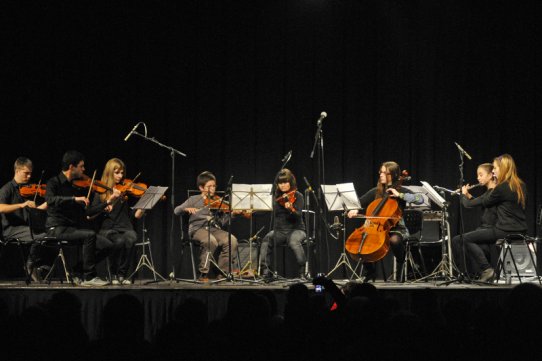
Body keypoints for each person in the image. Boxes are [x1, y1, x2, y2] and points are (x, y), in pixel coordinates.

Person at [45, 150, 121, 286]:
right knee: (89, 235)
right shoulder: (53, 182)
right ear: (71, 167)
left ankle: (77, 271)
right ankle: (89, 277)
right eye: (81, 166)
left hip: (70, 228)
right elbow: (50, 200)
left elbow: (88, 211)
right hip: (56, 228)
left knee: (108, 245)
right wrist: (73, 199)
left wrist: (108, 202)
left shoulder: (74, 186)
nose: (84, 169)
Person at [347, 161, 424, 282]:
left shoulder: (401, 190)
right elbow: (358, 202)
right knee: (361, 240)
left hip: (397, 228)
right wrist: (355, 209)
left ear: (392, 175)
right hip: (375, 228)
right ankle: (370, 272)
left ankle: (400, 265)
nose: (381, 175)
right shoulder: (376, 191)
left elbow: (420, 199)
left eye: (385, 173)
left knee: (394, 240)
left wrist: (400, 195)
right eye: (381, 172)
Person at [458, 154, 527, 282]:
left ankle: (487, 269)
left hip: (505, 230)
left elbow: (481, 202)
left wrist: (464, 195)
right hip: (521, 230)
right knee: (481, 242)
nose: (493, 170)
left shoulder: (501, 187)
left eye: (495, 168)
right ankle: (486, 272)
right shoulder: (520, 185)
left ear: (503, 168)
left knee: (465, 239)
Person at [174, 171, 238, 281]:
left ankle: (222, 272)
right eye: (209, 186)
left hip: (214, 228)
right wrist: (185, 209)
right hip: (197, 229)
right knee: (210, 241)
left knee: (231, 240)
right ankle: (203, 273)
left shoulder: (217, 201)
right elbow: (176, 210)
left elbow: (222, 222)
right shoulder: (194, 199)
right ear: (201, 188)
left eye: (214, 186)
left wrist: (232, 214)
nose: (212, 189)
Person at [89, 158, 144, 285]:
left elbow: (133, 215)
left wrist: (143, 208)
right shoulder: (101, 192)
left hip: (125, 226)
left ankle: (122, 274)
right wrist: (104, 207)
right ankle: (113, 273)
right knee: (118, 241)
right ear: (109, 173)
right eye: (117, 172)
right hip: (108, 229)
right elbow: (91, 214)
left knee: (132, 238)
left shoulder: (124, 192)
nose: (120, 176)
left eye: (121, 172)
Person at [0, 157, 49, 281]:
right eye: (26, 173)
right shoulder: (7, 189)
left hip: (26, 227)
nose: (29, 177)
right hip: (11, 229)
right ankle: (30, 264)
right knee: (40, 236)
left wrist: (44, 206)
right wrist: (22, 204)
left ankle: (41, 266)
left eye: (30, 174)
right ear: (17, 171)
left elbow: (34, 210)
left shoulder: (27, 190)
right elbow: (0, 207)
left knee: (51, 235)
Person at [259, 168, 307, 280]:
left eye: (285, 182)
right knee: (267, 239)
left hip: (297, 230)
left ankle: (302, 272)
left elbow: (298, 215)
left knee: (293, 241)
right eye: (280, 183)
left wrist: (291, 209)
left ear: (291, 182)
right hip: (280, 231)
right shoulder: (275, 197)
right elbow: (264, 210)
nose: (283, 185)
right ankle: (266, 272)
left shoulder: (298, 196)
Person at [451, 163, 497, 276]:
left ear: (491, 175)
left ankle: (486, 269)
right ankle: (483, 272)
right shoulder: (490, 193)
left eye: (481, 175)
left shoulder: (493, 192)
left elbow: (467, 205)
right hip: (485, 228)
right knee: (479, 247)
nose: (478, 178)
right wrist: (468, 195)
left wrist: (462, 194)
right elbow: (481, 203)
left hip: (490, 229)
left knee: (459, 240)